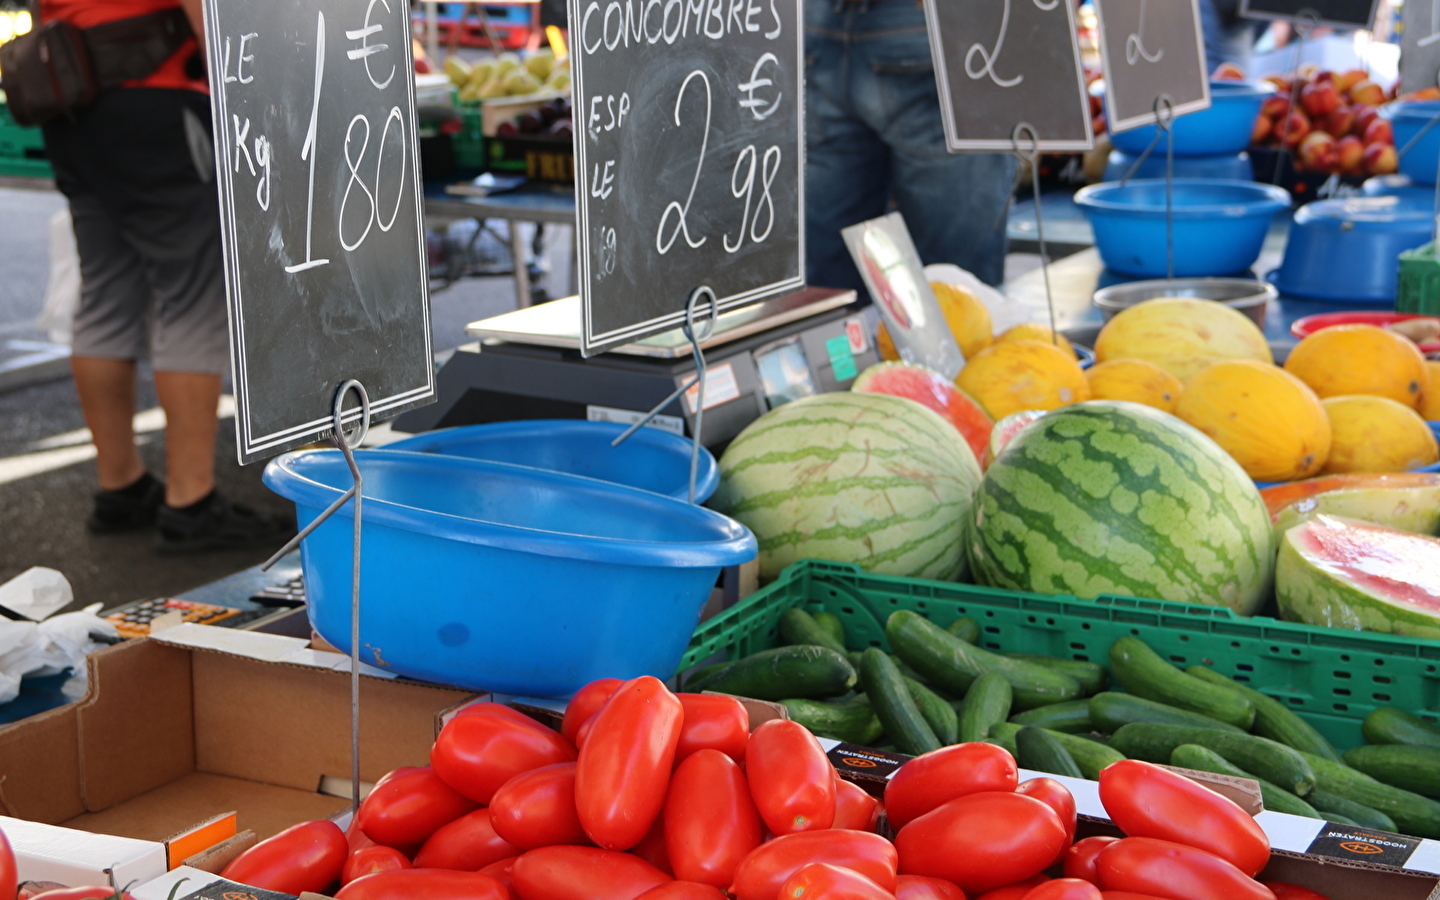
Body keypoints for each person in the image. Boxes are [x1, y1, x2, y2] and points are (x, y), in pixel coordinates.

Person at [39, 0, 293, 551]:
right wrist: (252, 91)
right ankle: (191, 502)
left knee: (107, 291)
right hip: (156, 99)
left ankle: (120, 486)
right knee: (195, 296)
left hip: (73, 101)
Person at [805, 0, 1018, 293]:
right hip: (928, 25)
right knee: (956, 290)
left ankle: (839, 337)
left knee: (830, 290)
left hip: (814, 23)